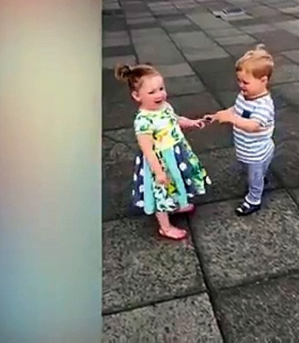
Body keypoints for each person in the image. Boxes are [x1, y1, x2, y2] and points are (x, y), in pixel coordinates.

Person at [115, 63, 211, 240]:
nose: (159, 94)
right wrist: (158, 172)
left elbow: (174, 119)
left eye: (161, 88)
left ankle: (176, 204)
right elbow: (148, 150)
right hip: (159, 161)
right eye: (152, 92)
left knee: (177, 181)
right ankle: (165, 227)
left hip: (175, 154)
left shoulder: (164, 106)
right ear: (137, 96)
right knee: (161, 191)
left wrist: (190, 122)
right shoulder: (143, 121)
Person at [205, 44, 275, 216]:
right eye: (239, 81)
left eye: (245, 82)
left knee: (254, 177)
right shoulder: (244, 96)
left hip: (257, 151)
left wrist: (231, 119)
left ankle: (253, 200)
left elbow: (253, 125)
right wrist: (219, 115)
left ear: (263, 80)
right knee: (251, 169)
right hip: (246, 149)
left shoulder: (264, 105)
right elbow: (236, 109)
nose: (241, 85)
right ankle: (260, 178)